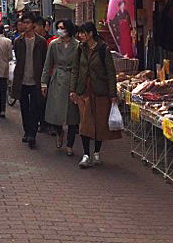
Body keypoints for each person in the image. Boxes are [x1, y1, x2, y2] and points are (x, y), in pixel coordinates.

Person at [70, 22, 121, 168]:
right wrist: (73, 90)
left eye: (82, 33)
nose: (80, 36)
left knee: (99, 123)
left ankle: (97, 152)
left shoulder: (103, 49)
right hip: (84, 91)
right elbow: (75, 70)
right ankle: (86, 155)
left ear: (90, 33)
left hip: (100, 92)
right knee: (85, 123)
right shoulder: (80, 49)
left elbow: (111, 73)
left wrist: (112, 94)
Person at [41, 20, 80, 155]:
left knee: (73, 115)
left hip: (72, 79)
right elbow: (48, 65)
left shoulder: (77, 46)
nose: (60, 30)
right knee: (55, 111)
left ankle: (70, 144)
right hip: (57, 78)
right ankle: (59, 132)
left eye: (62, 28)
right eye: (58, 28)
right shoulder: (53, 44)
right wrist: (44, 83)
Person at [10, 11, 47, 148]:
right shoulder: (18, 41)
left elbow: (44, 62)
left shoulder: (41, 42)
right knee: (24, 107)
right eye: (23, 23)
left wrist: (44, 81)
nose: (25, 25)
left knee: (35, 107)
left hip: (36, 80)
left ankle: (32, 133)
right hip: (22, 79)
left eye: (27, 23)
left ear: (33, 24)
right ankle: (27, 132)